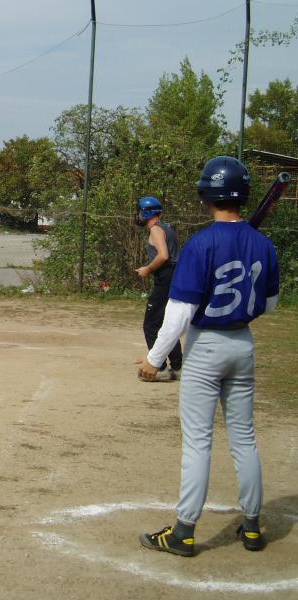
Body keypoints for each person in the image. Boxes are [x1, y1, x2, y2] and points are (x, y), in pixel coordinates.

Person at [138, 156, 280, 557]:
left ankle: (184, 532)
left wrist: (154, 357)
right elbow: (268, 306)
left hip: (206, 347)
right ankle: (252, 527)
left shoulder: (201, 243)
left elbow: (180, 311)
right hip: (242, 343)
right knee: (245, 439)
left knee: (199, 443)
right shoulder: (263, 244)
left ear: (206, 194)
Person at [134, 196, 182, 381]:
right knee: (165, 323)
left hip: (166, 279)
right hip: (173, 277)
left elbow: (163, 256)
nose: (138, 214)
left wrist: (147, 269)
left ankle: (159, 366)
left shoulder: (155, 229)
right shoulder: (166, 228)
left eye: (140, 211)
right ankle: (177, 366)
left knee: (151, 325)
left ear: (147, 212)